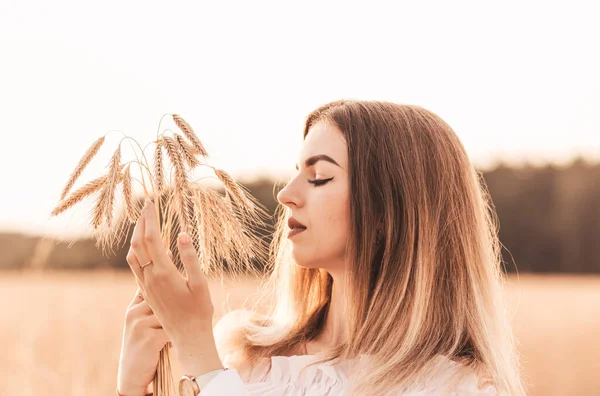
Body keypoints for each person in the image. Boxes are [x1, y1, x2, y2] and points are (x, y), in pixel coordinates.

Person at [116, 100, 527, 395]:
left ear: (391, 211)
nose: (286, 195)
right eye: (297, 173)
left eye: (319, 178)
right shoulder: (246, 357)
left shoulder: (455, 388)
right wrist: (134, 390)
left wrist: (197, 354)